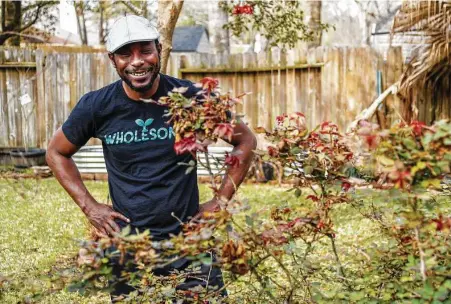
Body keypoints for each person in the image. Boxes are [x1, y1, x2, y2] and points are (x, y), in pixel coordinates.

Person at [46, 15, 257, 301]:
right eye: (125, 53)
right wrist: (90, 207)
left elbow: (245, 140)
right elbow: (57, 152)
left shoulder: (189, 98)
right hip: (129, 247)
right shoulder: (97, 106)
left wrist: (219, 203)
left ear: (158, 49)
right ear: (113, 60)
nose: (137, 61)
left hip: (189, 241)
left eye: (145, 50)